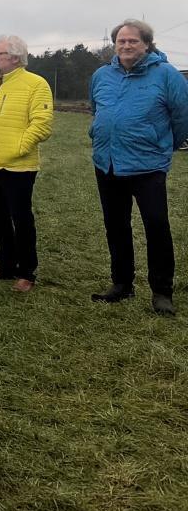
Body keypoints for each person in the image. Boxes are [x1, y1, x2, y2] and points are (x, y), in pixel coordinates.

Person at [88, 19, 188, 314]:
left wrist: (162, 145)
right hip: (107, 164)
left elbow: (182, 118)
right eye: (121, 41)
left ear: (147, 44)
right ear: (114, 44)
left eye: (133, 41)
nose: (126, 46)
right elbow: (97, 110)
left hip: (148, 166)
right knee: (115, 226)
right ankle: (121, 284)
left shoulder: (167, 75)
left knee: (156, 226)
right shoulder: (101, 75)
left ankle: (162, 291)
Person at [0, 35, 54, 292]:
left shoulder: (35, 84)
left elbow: (42, 124)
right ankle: (6, 266)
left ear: (16, 58)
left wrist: (18, 148)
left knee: (21, 219)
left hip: (18, 167)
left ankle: (27, 272)